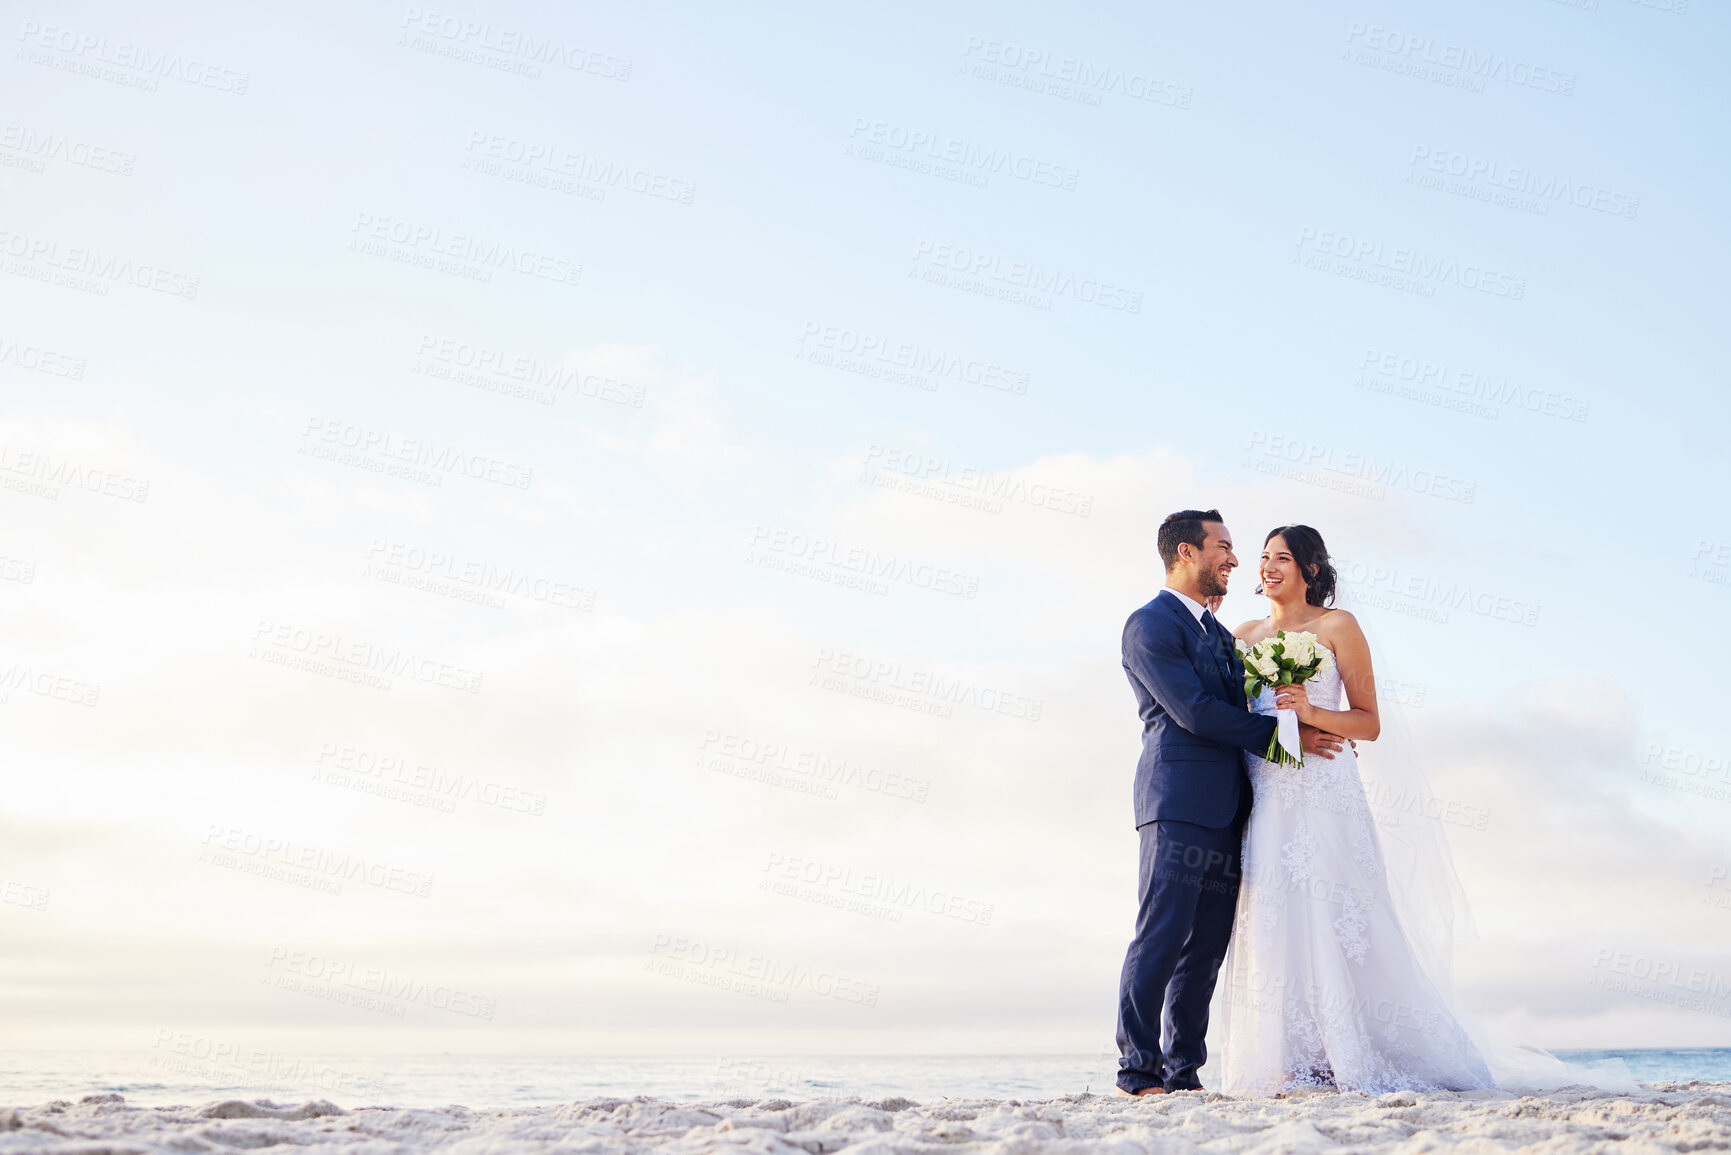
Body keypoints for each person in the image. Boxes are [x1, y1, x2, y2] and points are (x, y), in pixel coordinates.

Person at [1113, 510, 1348, 1096]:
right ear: (1187, 553)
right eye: (1224, 547)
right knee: (1161, 935)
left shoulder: (1221, 635)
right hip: (1178, 802)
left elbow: (1249, 706)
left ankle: (1183, 1071)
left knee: (1207, 949)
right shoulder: (1149, 625)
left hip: (1231, 809)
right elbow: (1192, 711)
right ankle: (1137, 1071)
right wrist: (1284, 742)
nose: (1236, 561)